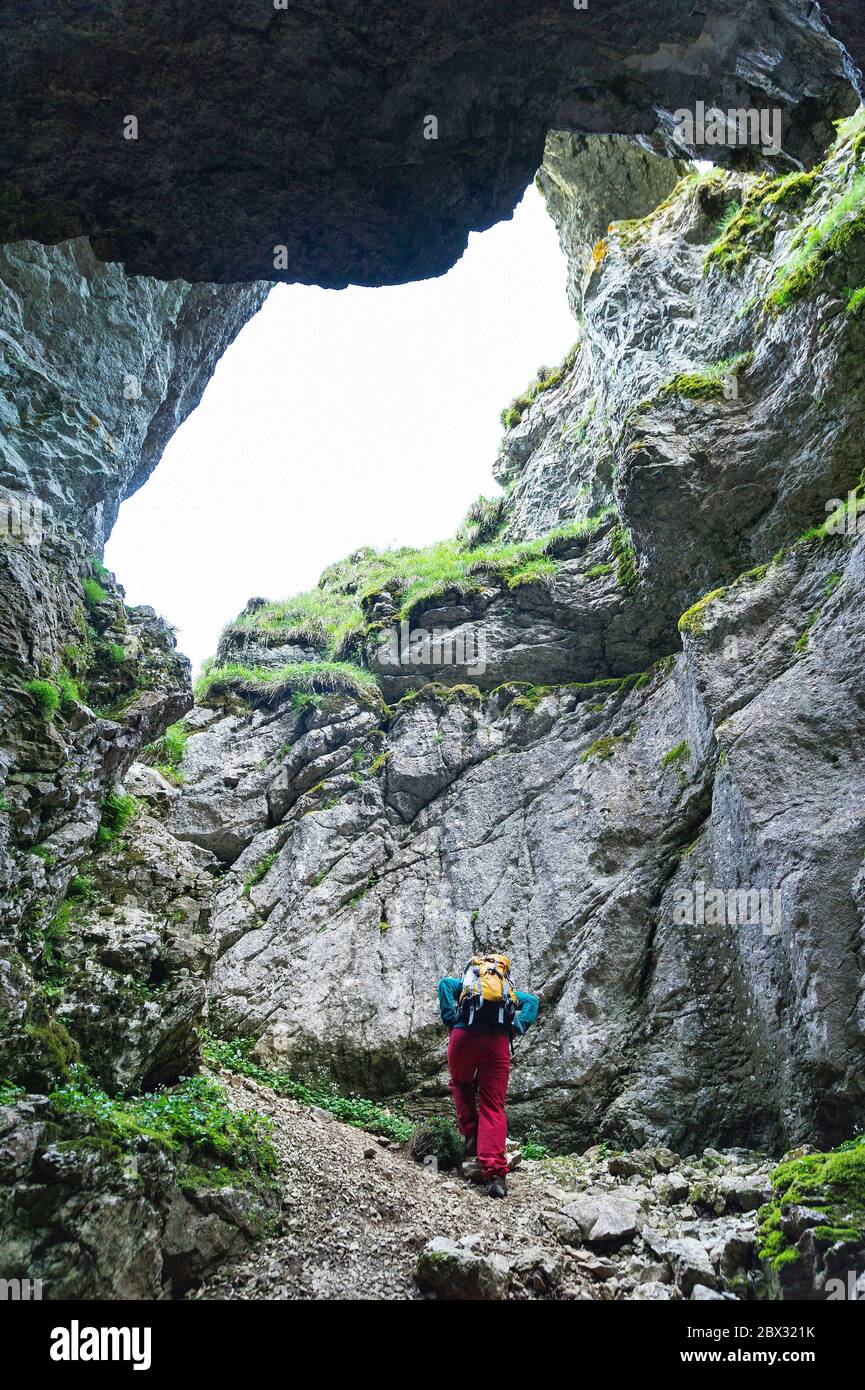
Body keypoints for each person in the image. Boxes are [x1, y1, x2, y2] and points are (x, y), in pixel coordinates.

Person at [437, 955, 539, 1199]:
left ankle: (470, 1136)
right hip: (497, 1043)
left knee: (461, 1085)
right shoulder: (508, 991)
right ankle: (495, 1176)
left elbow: (444, 984)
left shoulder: (466, 984)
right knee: (492, 1104)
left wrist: (452, 1022)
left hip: (463, 1039)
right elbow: (532, 1002)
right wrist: (515, 1028)